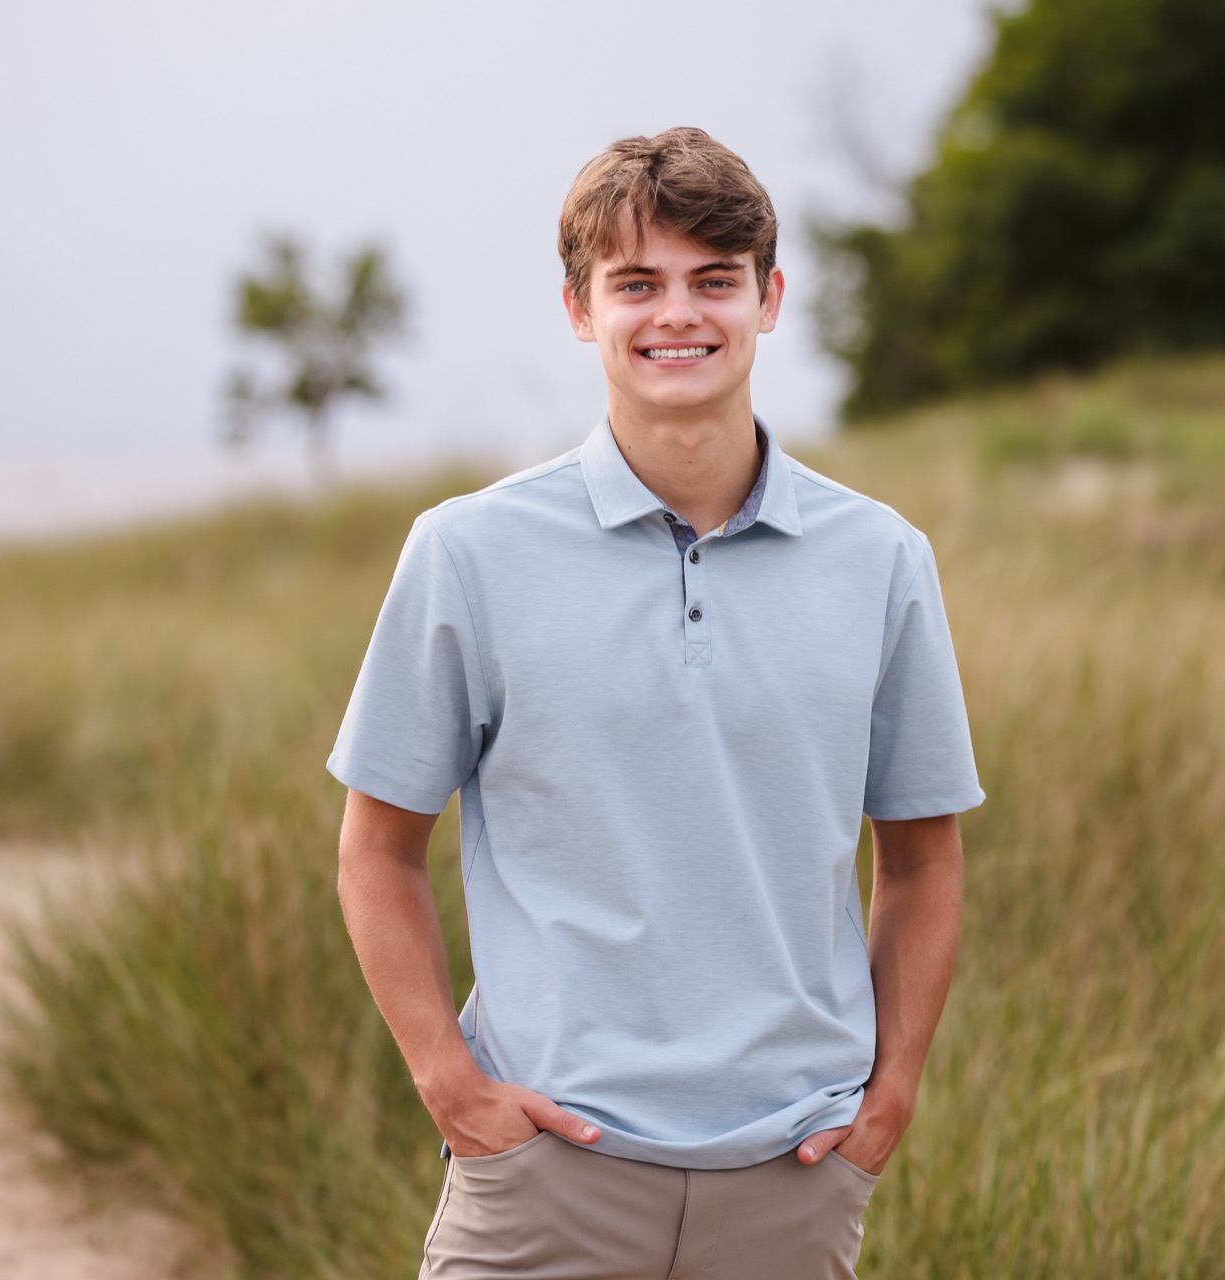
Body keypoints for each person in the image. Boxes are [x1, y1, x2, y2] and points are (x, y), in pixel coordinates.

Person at [329, 126, 984, 1280]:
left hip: (795, 1175)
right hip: (545, 1175)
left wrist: (889, 1097)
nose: (677, 312)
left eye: (713, 280)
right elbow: (377, 849)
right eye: (636, 283)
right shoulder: (468, 551)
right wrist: (452, 1086)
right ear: (580, 310)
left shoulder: (881, 558)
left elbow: (923, 860)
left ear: (768, 298)